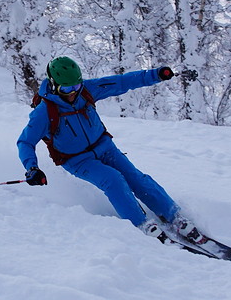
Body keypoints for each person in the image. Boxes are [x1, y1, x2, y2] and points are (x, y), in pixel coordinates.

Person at [17, 56, 201, 242]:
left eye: (76, 86)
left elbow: (121, 82)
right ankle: (141, 224)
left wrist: (156, 75)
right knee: (113, 180)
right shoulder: (43, 112)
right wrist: (32, 168)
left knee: (136, 178)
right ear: (55, 85)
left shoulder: (86, 91)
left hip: (105, 147)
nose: (73, 92)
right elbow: (25, 142)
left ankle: (173, 216)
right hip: (77, 160)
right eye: (67, 89)